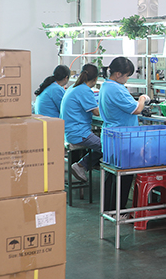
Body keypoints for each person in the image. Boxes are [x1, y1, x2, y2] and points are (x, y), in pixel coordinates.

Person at [98, 57, 148, 212]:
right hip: (123, 139)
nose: (127, 79)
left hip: (112, 136)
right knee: (124, 177)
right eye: (127, 76)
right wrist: (142, 99)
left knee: (112, 175)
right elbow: (137, 109)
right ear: (118, 74)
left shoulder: (106, 85)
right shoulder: (116, 89)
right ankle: (119, 211)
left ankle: (109, 209)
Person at [60, 64, 103, 182]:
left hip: (69, 131)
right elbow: (97, 112)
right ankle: (81, 166)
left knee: (102, 144)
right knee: (107, 147)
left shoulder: (73, 87)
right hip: (79, 133)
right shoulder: (84, 90)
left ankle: (83, 165)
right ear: (96, 78)